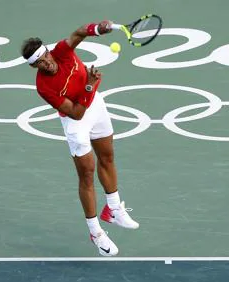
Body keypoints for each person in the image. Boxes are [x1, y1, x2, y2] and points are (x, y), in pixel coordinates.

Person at [20, 20, 139, 256]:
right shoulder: (44, 87)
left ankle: (113, 209)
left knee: (107, 156)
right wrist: (89, 86)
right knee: (86, 174)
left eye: (46, 56)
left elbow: (79, 32)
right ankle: (95, 232)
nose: (47, 63)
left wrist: (98, 28)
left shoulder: (62, 51)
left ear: (48, 51)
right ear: (35, 67)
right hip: (76, 122)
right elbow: (76, 112)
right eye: (40, 63)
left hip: (96, 105)